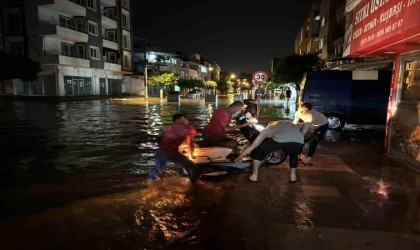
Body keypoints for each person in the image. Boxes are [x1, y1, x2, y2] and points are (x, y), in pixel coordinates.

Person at [234, 120, 304, 182]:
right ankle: (293, 177)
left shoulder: (268, 128)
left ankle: (254, 176)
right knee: (293, 155)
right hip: (300, 140)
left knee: (260, 149)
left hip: (282, 138)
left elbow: (253, 146)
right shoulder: (288, 123)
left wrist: (239, 157)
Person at [147, 113, 199, 184]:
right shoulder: (187, 127)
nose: (187, 121)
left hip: (160, 152)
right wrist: (192, 155)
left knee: (156, 170)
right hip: (172, 153)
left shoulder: (169, 128)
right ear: (182, 117)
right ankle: (194, 185)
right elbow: (190, 143)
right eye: (187, 119)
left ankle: (148, 184)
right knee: (192, 167)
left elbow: (161, 139)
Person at [293, 102, 329, 166]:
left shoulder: (311, 116)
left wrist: (300, 136)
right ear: (299, 108)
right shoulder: (297, 112)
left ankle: (309, 160)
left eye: (306, 110)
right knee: (303, 139)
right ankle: (298, 155)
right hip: (312, 124)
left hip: (322, 125)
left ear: (309, 111)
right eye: (302, 109)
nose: (303, 112)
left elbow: (305, 130)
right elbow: (295, 123)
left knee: (312, 141)